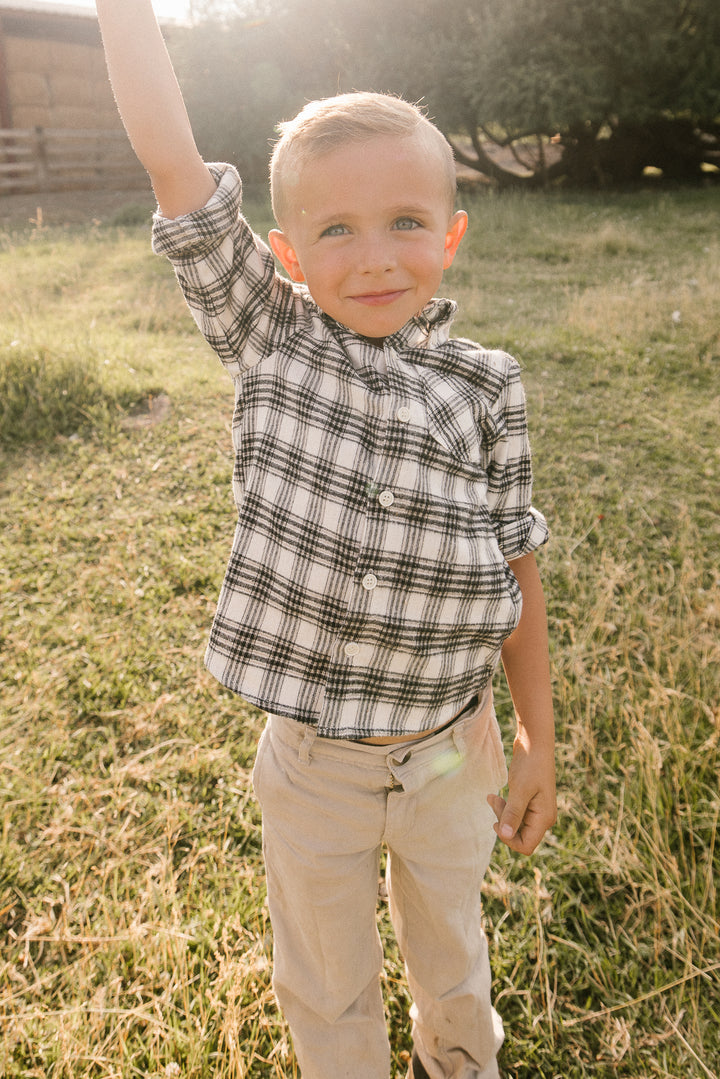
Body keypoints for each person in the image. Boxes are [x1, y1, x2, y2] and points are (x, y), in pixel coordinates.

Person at [96, 3, 557, 1077]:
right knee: (328, 976)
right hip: (314, 764)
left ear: (449, 234)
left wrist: (538, 737)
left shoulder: (486, 385)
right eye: (336, 231)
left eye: (405, 221)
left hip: (453, 748)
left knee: (453, 957)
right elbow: (173, 160)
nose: (375, 256)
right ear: (288, 253)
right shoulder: (273, 336)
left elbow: (518, 570)